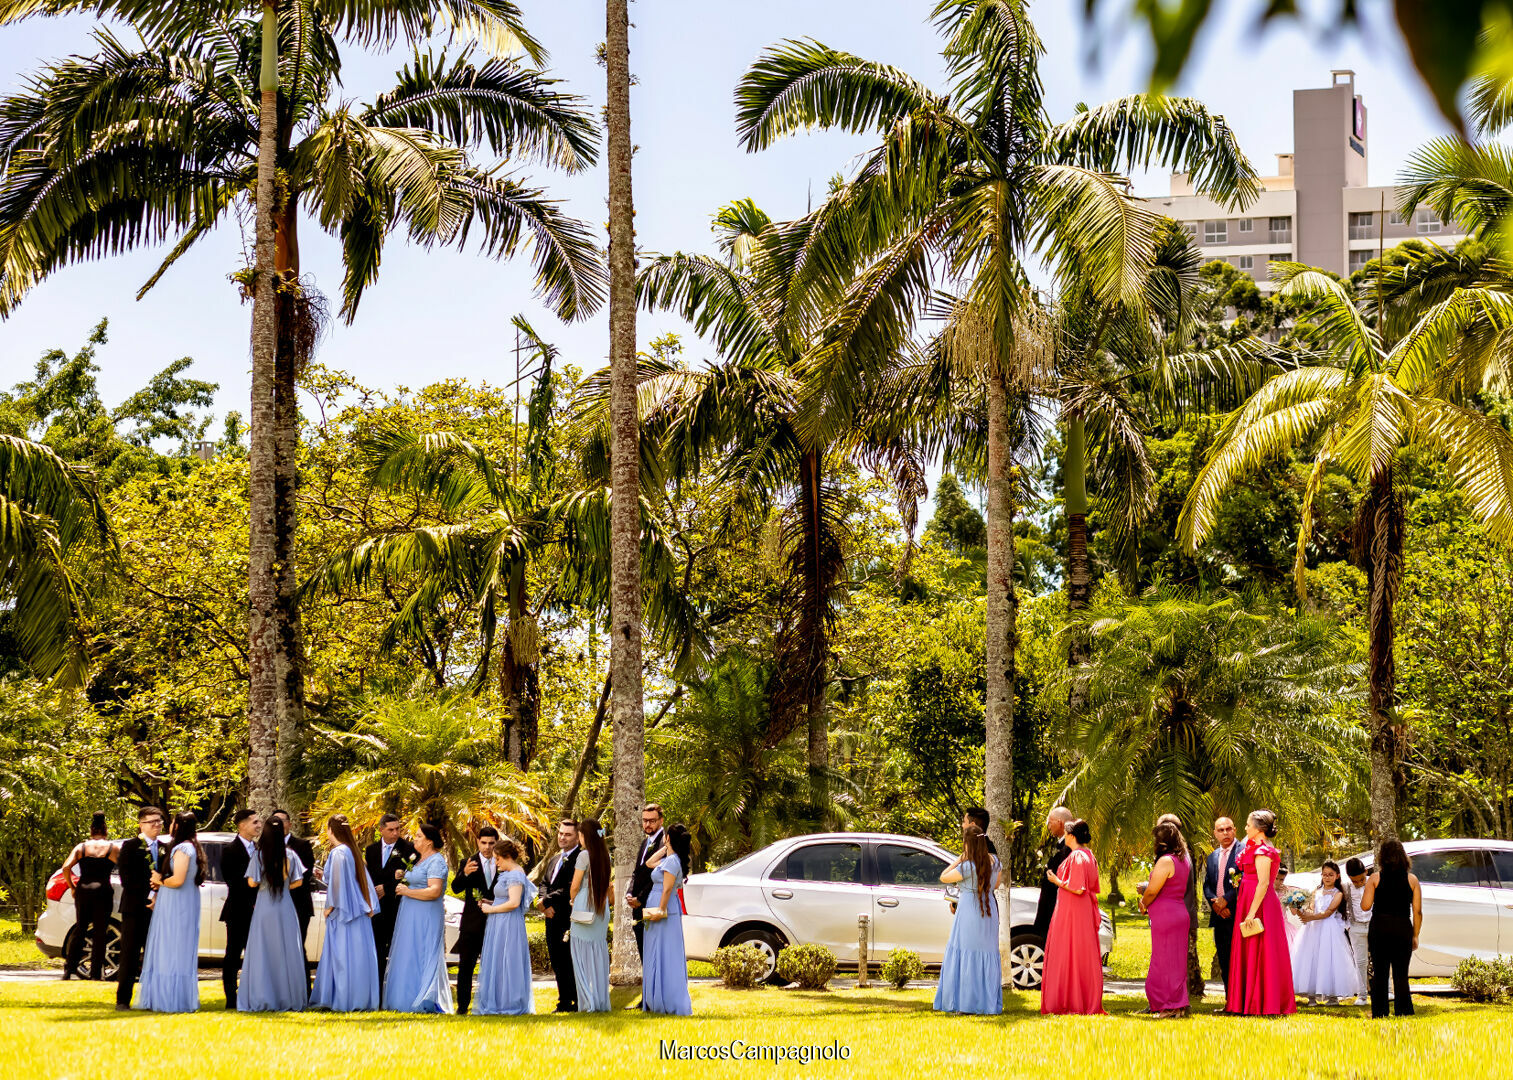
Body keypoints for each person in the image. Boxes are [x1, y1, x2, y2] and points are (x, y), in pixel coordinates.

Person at [1225, 809, 1296, 1016]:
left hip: (1260, 904)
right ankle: (1245, 1002)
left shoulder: (1264, 850)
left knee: (1263, 950)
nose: (1245, 828)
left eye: (1248, 824)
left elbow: (1264, 883)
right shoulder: (1252, 847)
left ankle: (1264, 1003)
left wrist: (1251, 913)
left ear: (1258, 828)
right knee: (1249, 948)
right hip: (1248, 900)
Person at [310, 814, 381, 1012]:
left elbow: (339, 883)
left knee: (343, 957)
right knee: (357, 957)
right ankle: (359, 998)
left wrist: (330, 906)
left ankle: (343, 999)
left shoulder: (339, 852)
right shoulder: (352, 851)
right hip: (358, 911)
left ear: (331, 830)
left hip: (344, 913)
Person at [135, 811, 204, 1013]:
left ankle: (169, 998)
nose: (170, 824)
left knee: (171, 947)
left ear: (179, 826)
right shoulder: (192, 847)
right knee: (174, 947)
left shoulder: (183, 848)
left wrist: (159, 881)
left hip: (177, 903)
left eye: (173, 821)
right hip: (181, 900)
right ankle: (170, 995)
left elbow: (178, 879)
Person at [238, 817, 308, 1011]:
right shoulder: (291, 855)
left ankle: (263, 995)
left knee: (263, 951)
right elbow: (298, 882)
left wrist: (265, 883)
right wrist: (283, 884)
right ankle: (289, 998)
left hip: (265, 907)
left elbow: (252, 882)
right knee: (286, 951)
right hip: (284, 906)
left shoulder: (259, 855)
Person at [383, 822, 453, 1013]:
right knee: (409, 952)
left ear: (429, 842)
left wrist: (407, 891)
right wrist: (403, 875)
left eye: (419, 836)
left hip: (426, 914)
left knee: (423, 951)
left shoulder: (437, 861)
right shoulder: (418, 859)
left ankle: (424, 998)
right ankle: (404, 997)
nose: (415, 838)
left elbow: (434, 891)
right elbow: (418, 880)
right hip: (410, 913)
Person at [934, 823, 1002, 1015]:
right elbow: (996, 885)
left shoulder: (966, 866)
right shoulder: (995, 862)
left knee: (966, 953)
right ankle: (986, 1003)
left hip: (969, 911)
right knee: (986, 953)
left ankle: (965, 1003)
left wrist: (959, 859)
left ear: (967, 844)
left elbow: (944, 877)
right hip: (988, 911)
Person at [1041, 819, 1105, 1015]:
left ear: (1071, 835)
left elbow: (1078, 888)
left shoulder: (1078, 856)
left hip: (1073, 910)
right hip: (1080, 908)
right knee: (1077, 951)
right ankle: (1077, 997)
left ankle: (1071, 1000)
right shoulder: (1088, 854)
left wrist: (1056, 881)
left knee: (1069, 951)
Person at [1361, 839, 1423, 1018]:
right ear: (1403, 857)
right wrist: (1416, 935)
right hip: (1403, 927)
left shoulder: (1375, 878)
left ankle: (1380, 1012)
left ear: (1382, 858)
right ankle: (1403, 1010)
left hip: (1379, 927)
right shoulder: (1412, 879)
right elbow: (1417, 911)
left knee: (1379, 972)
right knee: (1401, 973)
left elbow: (1365, 906)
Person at [474, 838, 537, 1016]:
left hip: (508, 923)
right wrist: (490, 902)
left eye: (498, 859)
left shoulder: (516, 874)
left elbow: (514, 902)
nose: (496, 862)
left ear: (507, 856)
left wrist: (491, 909)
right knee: (499, 960)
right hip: (499, 921)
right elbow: (506, 899)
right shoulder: (508, 874)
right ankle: (499, 1000)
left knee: (508, 960)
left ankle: (509, 1002)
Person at [1138, 820, 1191, 1018]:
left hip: (1166, 915)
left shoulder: (1166, 861)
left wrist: (1143, 903)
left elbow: (1152, 890)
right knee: (1175, 962)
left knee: (1163, 961)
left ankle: (1168, 1005)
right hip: (1178, 912)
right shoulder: (1183, 859)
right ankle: (1178, 1005)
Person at [115, 806, 166, 1009]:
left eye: (159, 821)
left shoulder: (165, 847)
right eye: (152, 821)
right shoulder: (130, 846)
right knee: (130, 954)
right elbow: (127, 879)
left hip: (158, 909)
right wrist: (150, 890)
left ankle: (154, 998)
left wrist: (159, 889)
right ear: (141, 824)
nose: (157, 825)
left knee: (155, 954)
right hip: (135, 908)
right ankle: (122, 1000)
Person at [641, 823, 693, 1015]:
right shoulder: (668, 859)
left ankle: (668, 998)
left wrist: (660, 910)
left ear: (669, 837)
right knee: (655, 949)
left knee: (665, 952)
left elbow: (667, 889)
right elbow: (649, 863)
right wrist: (667, 846)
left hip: (664, 909)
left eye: (666, 836)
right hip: (656, 905)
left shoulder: (672, 862)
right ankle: (654, 998)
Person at [60, 811, 117, 981]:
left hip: (83, 890)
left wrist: (72, 887)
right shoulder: (112, 848)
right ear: (105, 830)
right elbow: (126, 867)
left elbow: (65, 868)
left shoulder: (81, 847)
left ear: (91, 830)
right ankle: (95, 974)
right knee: (100, 932)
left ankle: (69, 970)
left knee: (80, 929)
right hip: (102, 891)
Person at [451, 824, 500, 1015]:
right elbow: (455, 888)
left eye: (491, 843)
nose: (487, 847)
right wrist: (465, 874)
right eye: (484, 843)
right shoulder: (468, 861)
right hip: (471, 925)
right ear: (477, 842)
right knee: (466, 967)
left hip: (496, 922)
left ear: (497, 843)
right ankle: (462, 1007)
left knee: (494, 966)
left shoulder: (502, 862)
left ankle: (492, 1004)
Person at [1291, 860, 1356, 1006]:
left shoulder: (1338, 894)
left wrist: (1311, 917)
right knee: (1312, 958)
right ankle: (1311, 995)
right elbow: (1312, 908)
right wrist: (1303, 912)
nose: (1327, 878)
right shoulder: (1316, 891)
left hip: (1329, 928)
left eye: (1330, 875)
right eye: (1324, 875)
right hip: (1313, 929)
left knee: (1329, 959)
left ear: (1337, 876)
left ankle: (1332, 996)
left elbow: (1328, 912)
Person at [364, 813, 415, 992]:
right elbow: (369, 876)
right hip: (376, 908)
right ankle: (376, 992)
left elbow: (409, 877)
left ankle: (397, 991)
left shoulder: (409, 849)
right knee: (376, 951)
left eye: (398, 829)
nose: (395, 833)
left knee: (398, 952)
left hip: (397, 906)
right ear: (381, 830)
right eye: (391, 829)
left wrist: (387, 887)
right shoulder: (370, 850)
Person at [219, 808, 260, 1009]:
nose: (259, 825)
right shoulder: (230, 850)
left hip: (260, 911)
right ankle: (231, 998)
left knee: (256, 954)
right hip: (237, 910)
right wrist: (254, 885)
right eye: (254, 822)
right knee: (233, 955)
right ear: (242, 825)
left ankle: (253, 994)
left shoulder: (260, 849)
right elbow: (232, 881)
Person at [569, 818, 612, 1013]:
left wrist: (572, 900)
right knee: (598, 953)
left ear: (584, 835)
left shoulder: (583, 856)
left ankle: (587, 1002)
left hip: (585, 903)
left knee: (580, 955)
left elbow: (575, 885)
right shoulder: (606, 855)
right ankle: (600, 1000)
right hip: (601, 906)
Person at [539, 819, 581, 1012]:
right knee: (557, 960)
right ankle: (563, 1000)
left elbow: (571, 887)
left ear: (577, 836)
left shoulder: (580, 858)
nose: (562, 837)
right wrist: (542, 904)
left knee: (569, 960)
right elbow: (544, 883)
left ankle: (577, 1000)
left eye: (568, 834)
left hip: (568, 915)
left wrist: (547, 900)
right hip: (550, 917)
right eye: (561, 833)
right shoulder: (555, 858)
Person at [1202, 816, 1242, 989]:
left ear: (1234, 830)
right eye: (1221, 830)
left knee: (1240, 960)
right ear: (1215, 833)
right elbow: (1207, 885)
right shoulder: (1212, 857)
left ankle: (1243, 1001)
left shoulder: (1244, 852)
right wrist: (1217, 906)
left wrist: (1226, 900)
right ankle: (1229, 1000)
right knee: (1224, 959)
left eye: (1228, 829)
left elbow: (1245, 881)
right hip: (1220, 916)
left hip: (1239, 913)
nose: (1225, 833)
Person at [271, 809, 316, 954]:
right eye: (274, 821)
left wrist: (283, 886)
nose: (278, 824)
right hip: (273, 905)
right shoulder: (264, 846)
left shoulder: (302, 845)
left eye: (281, 821)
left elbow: (306, 873)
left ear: (289, 824)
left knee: (296, 948)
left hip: (298, 904)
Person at [624, 804, 665, 957]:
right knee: (644, 953)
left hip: (652, 903)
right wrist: (630, 893)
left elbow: (657, 876)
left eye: (652, 821)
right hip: (638, 906)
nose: (647, 824)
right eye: (645, 820)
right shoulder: (644, 843)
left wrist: (640, 898)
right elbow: (637, 872)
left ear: (660, 821)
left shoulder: (664, 844)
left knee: (653, 953)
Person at [1033, 807, 1073, 941]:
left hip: (1055, 905)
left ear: (1060, 823)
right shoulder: (1061, 845)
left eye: (1051, 822)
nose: (1049, 827)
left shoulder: (1068, 849)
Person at [1341, 857, 1372, 1006]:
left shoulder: (1373, 882)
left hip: (1374, 925)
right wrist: (1348, 925)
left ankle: (1387, 991)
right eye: (1355, 881)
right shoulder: (1346, 887)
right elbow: (1343, 907)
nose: (1359, 883)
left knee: (1382, 959)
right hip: (1356, 927)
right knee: (1360, 962)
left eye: (1361, 880)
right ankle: (1362, 996)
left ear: (1366, 872)